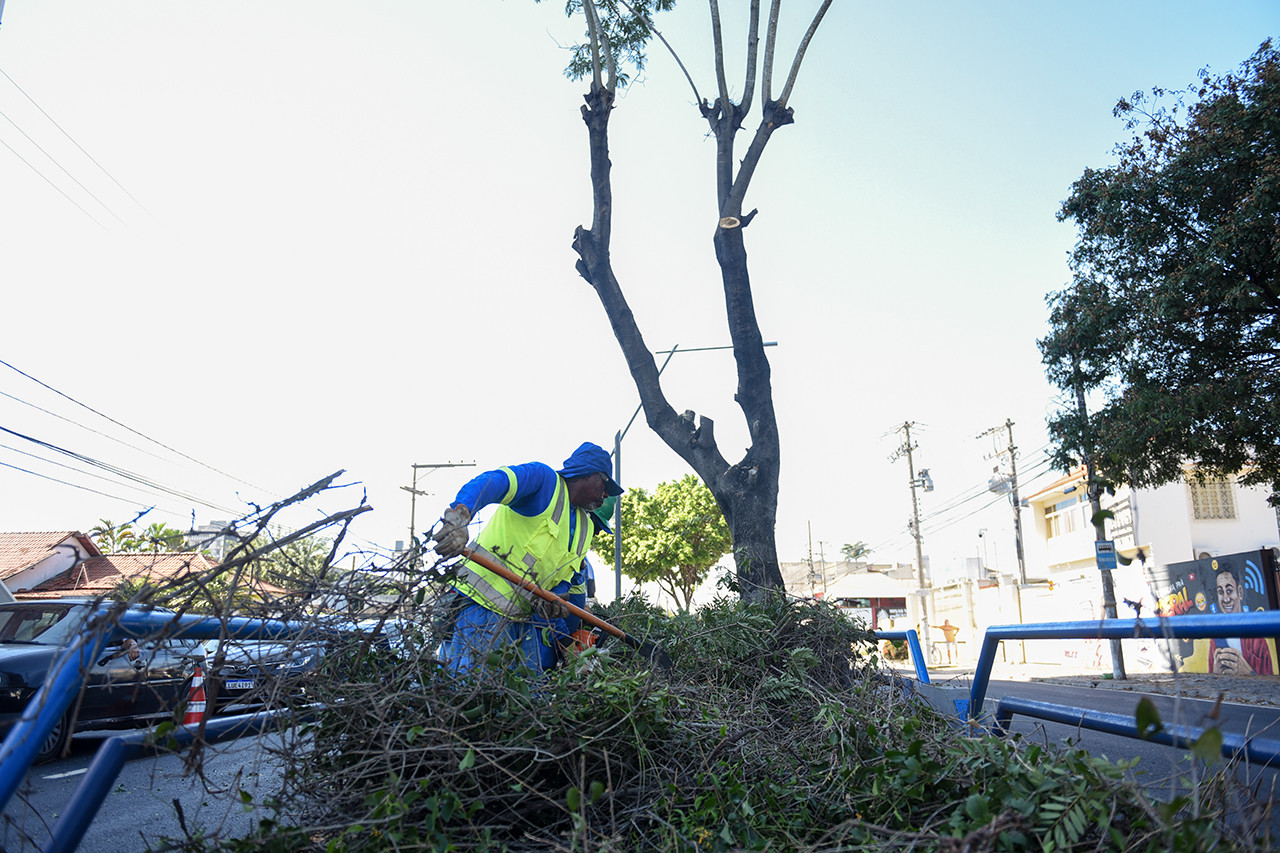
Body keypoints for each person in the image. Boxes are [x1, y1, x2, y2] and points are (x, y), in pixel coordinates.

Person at [432, 441, 622, 675]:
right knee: (469, 692)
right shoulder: (543, 482)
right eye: (605, 485)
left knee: (529, 701)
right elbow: (494, 481)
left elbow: (564, 577)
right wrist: (460, 515)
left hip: (524, 622)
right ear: (587, 473)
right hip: (479, 609)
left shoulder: (584, 527)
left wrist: (555, 600)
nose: (605, 494)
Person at [1208, 567, 1275, 675]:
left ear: (1240, 592)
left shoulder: (1257, 637)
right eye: (1221, 592)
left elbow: (1272, 686)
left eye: (1229, 591)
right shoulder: (1215, 639)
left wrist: (1248, 672)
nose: (1226, 599)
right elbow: (1211, 687)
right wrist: (1216, 673)